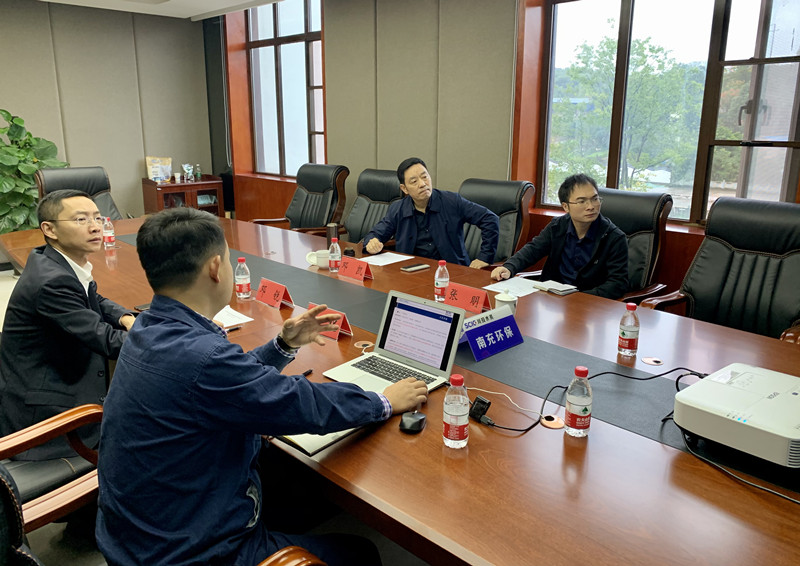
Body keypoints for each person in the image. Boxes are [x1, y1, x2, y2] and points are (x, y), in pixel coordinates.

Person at [96, 207, 428, 566]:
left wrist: (282, 346)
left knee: (293, 489)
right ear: (215, 267)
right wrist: (383, 401)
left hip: (140, 532)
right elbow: (301, 404)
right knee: (361, 553)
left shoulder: (149, 327)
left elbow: (223, 383)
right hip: (189, 552)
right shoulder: (203, 358)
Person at [0, 189, 134, 460]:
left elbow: (92, 297)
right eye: (81, 220)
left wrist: (126, 317)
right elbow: (107, 341)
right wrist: (166, 336)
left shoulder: (52, 260)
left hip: (51, 378)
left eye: (97, 218)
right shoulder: (52, 282)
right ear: (49, 229)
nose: (95, 226)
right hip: (49, 416)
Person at [491, 174, 628, 299]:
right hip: (552, 299)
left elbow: (617, 284)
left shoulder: (614, 238)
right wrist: (509, 267)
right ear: (565, 206)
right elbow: (533, 249)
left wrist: (579, 298)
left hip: (590, 304)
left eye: (595, 199)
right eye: (582, 201)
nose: (591, 206)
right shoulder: (557, 226)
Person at [363, 157, 499, 268]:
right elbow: (375, 234)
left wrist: (484, 257)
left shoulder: (452, 201)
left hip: (452, 272)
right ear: (404, 188)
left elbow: (489, 219)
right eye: (414, 181)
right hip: (410, 273)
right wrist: (372, 242)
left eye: (425, 177)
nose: (422, 184)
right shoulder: (398, 209)